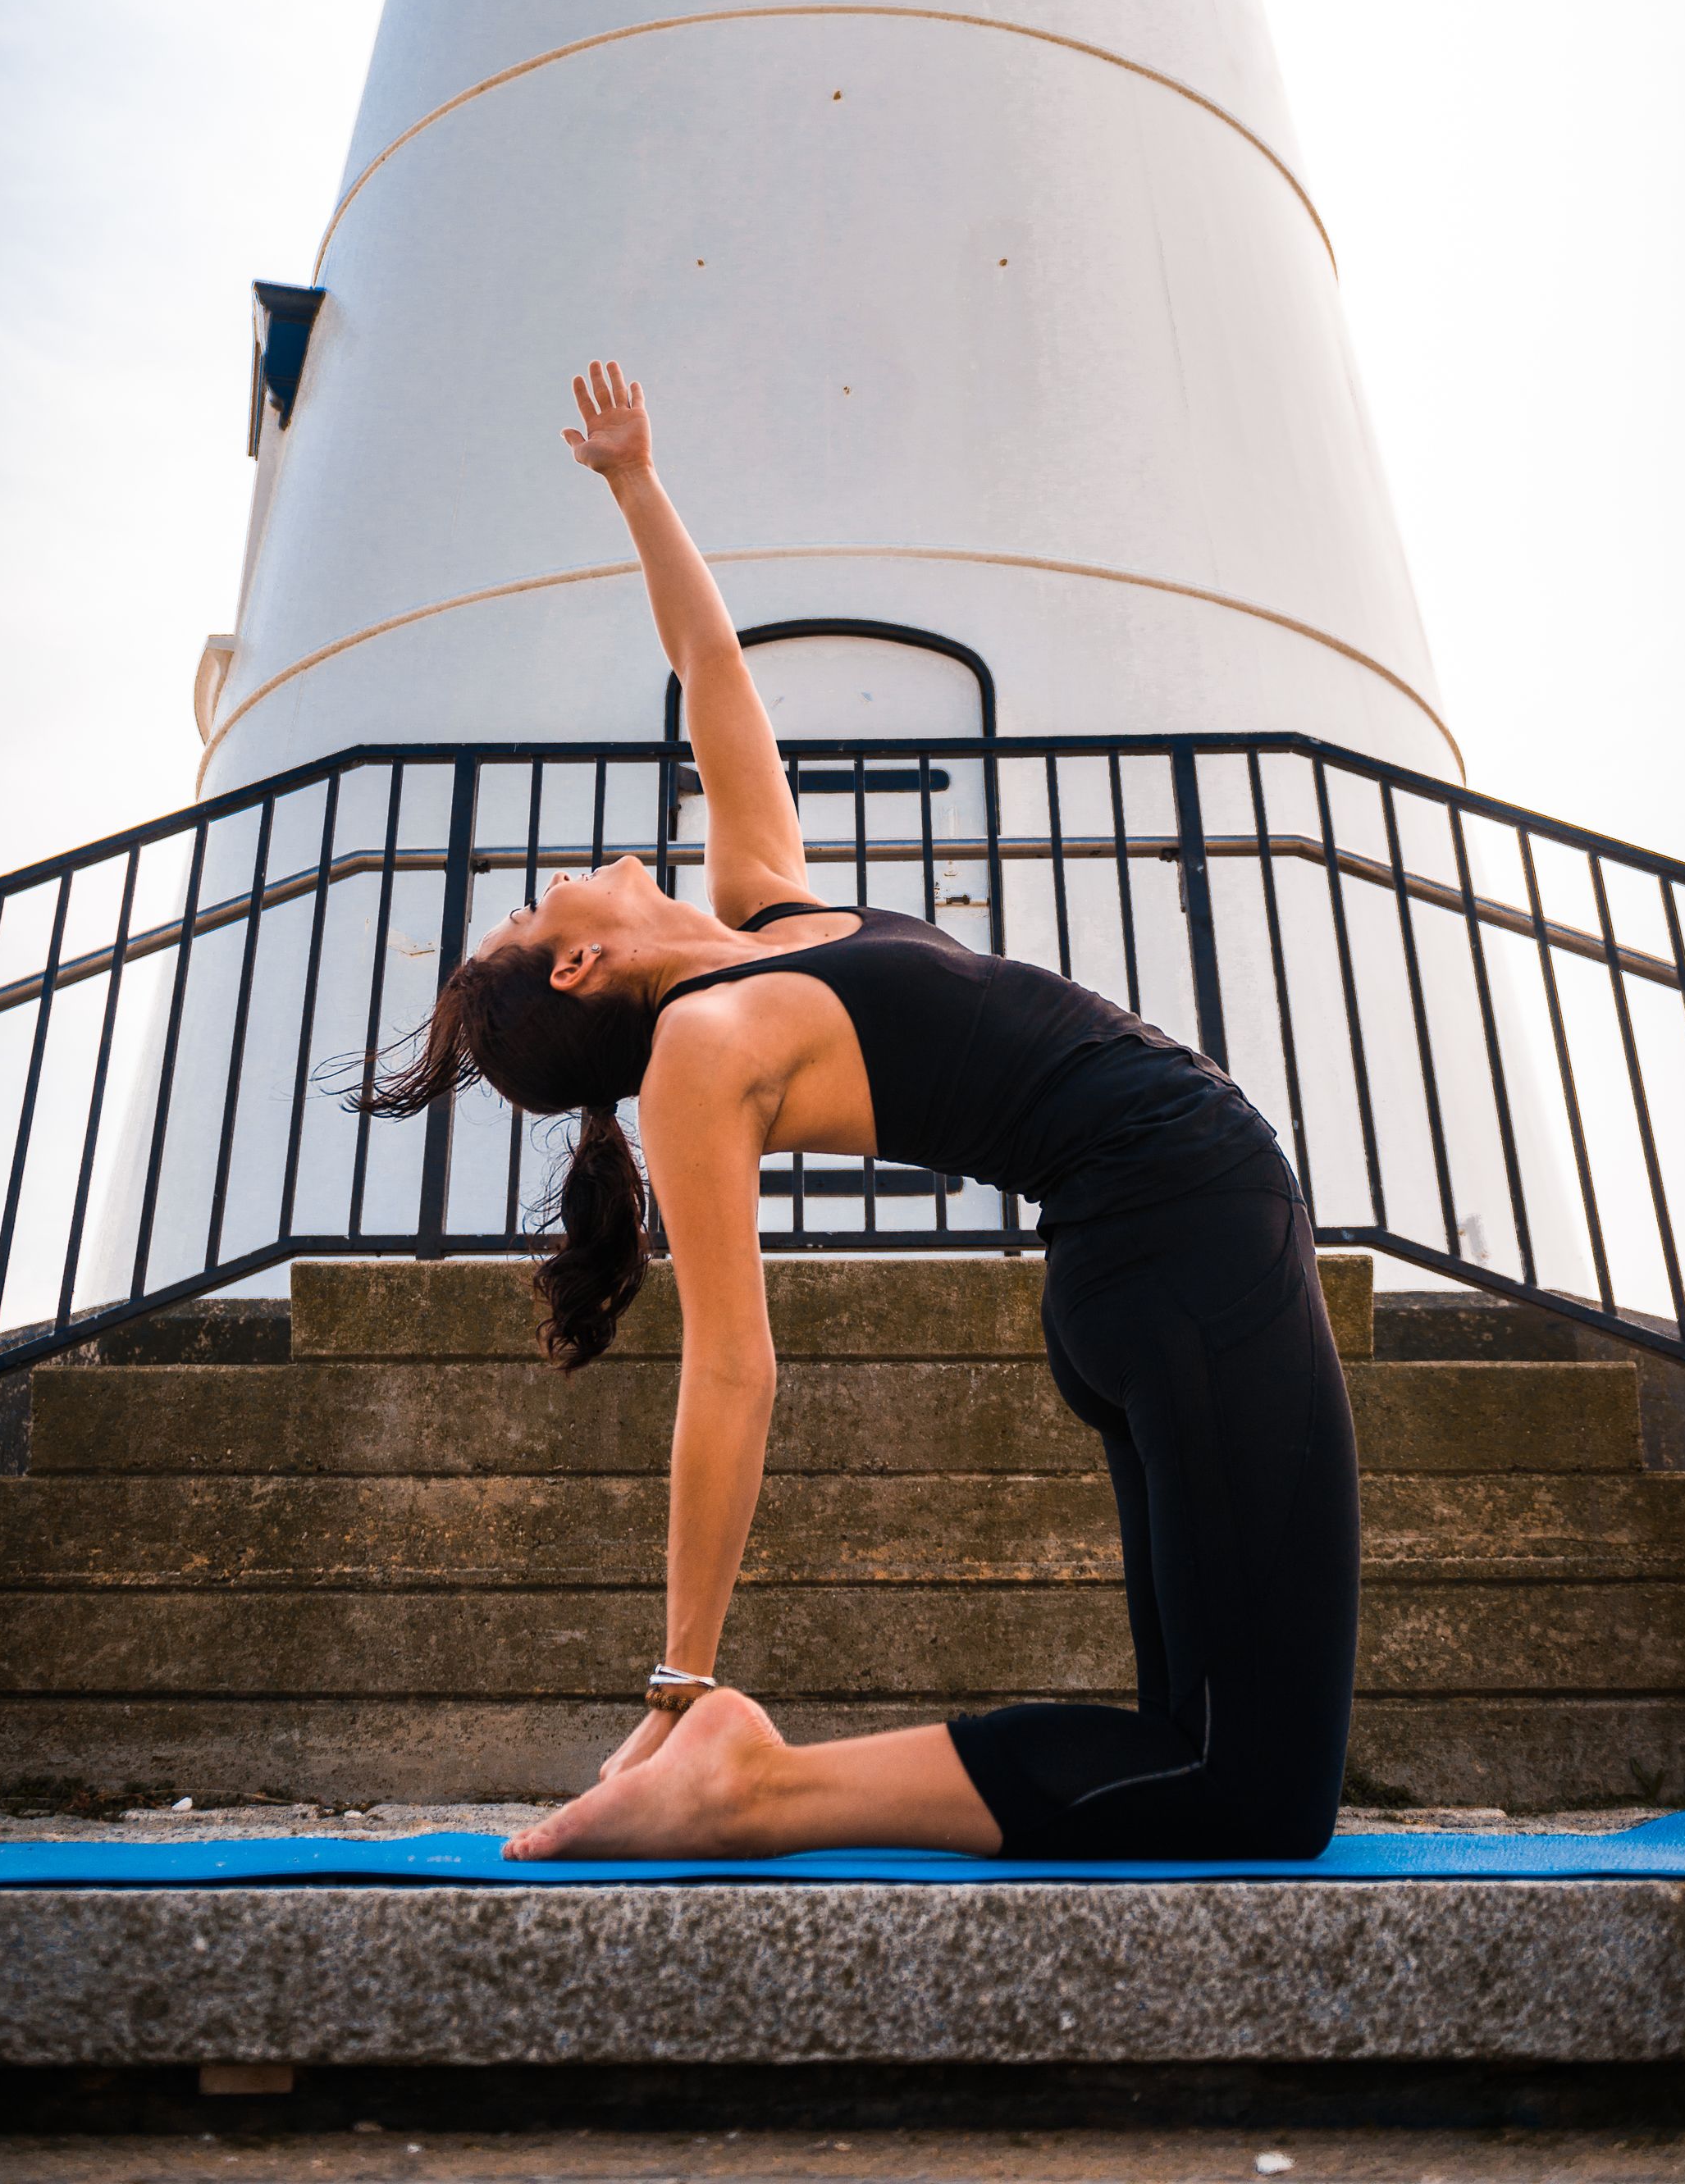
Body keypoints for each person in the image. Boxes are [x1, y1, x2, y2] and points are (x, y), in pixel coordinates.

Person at [363, 363, 1360, 1863]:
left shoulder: (768, 919)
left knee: (1213, 1758)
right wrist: (677, 1677)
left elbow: (716, 679)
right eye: (529, 906)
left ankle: (748, 1778)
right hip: (1177, 1252)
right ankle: (744, 1782)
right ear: (577, 960)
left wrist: (636, 484)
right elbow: (730, 1372)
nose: (558, 871)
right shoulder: (705, 1046)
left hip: (1173, 1250)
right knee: (1250, 1791)